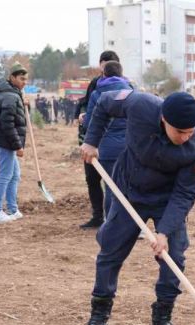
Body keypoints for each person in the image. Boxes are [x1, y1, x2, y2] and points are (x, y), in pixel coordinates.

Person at [79, 90, 195, 325]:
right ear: (163, 119)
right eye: (179, 131)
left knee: (174, 258)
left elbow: (184, 194)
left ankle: (163, 319)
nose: (185, 137)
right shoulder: (139, 105)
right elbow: (104, 103)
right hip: (128, 192)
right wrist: (92, 141)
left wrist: (165, 232)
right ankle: (99, 315)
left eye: (190, 131)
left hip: (166, 200)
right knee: (110, 251)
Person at [77, 50, 121, 229]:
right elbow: (85, 103)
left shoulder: (102, 88)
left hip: (101, 140)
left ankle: (111, 221)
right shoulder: (96, 84)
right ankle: (98, 216)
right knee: (94, 179)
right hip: (101, 140)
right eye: (104, 63)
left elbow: (91, 116)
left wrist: (85, 119)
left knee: (111, 183)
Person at [83, 60, 130, 217]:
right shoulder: (131, 91)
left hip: (107, 147)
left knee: (111, 186)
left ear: (104, 74)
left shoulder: (98, 93)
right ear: (121, 74)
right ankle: (132, 226)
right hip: (130, 146)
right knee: (129, 185)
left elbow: (91, 123)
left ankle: (112, 226)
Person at [0, 63, 29, 224]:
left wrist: (23, 103)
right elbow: (7, 124)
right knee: (5, 175)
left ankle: (12, 208)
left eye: (26, 79)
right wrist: (18, 145)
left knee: (15, 175)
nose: (24, 82)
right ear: (12, 78)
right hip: (4, 141)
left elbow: (16, 116)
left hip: (5, 141)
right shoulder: (10, 96)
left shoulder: (12, 93)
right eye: (21, 78)